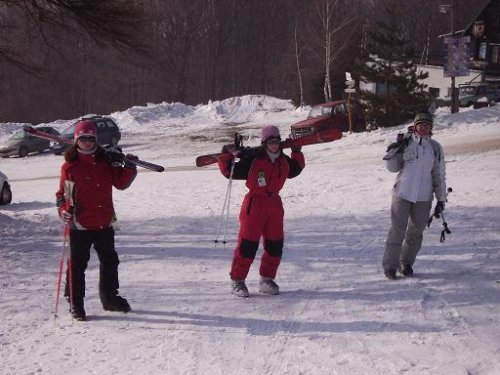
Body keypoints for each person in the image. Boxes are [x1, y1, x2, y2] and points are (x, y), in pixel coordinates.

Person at [56, 120, 138, 321]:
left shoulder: (106, 161)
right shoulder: (70, 167)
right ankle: (76, 303)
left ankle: (110, 298)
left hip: (104, 221)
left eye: (90, 139)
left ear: (95, 140)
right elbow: (64, 195)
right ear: (76, 140)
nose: (87, 142)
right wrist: (64, 210)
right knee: (78, 265)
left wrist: (129, 165)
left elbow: (121, 183)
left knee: (110, 261)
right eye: (83, 138)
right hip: (81, 224)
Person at [217, 125, 305, 297]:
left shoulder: (283, 160)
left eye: (277, 141)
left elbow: (296, 169)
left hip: (274, 206)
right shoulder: (253, 160)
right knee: (248, 245)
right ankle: (237, 281)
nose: (274, 145)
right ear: (264, 143)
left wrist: (297, 151)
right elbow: (229, 171)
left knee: (275, 245)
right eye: (270, 142)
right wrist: (225, 155)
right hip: (254, 205)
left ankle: (266, 279)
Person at [382, 112, 447, 279]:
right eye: (421, 124)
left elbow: (439, 174)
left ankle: (406, 263)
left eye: (427, 125)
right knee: (397, 231)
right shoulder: (406, 143)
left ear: (431, 128)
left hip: (424, 197)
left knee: (415, 233)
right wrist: (392, 151)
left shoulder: (435, 148)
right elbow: (393, 168)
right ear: (415, 126)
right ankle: (390, 266)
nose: (424, 127)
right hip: (402, 193)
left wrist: (440, 198)